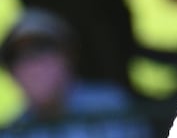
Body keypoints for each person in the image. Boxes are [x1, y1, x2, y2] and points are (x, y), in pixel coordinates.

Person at [0, 8, 154, 138]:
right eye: (17, 56)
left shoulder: (109, 103)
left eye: (42, 48)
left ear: (69, 55)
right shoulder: (13, 133)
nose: (33, 65)